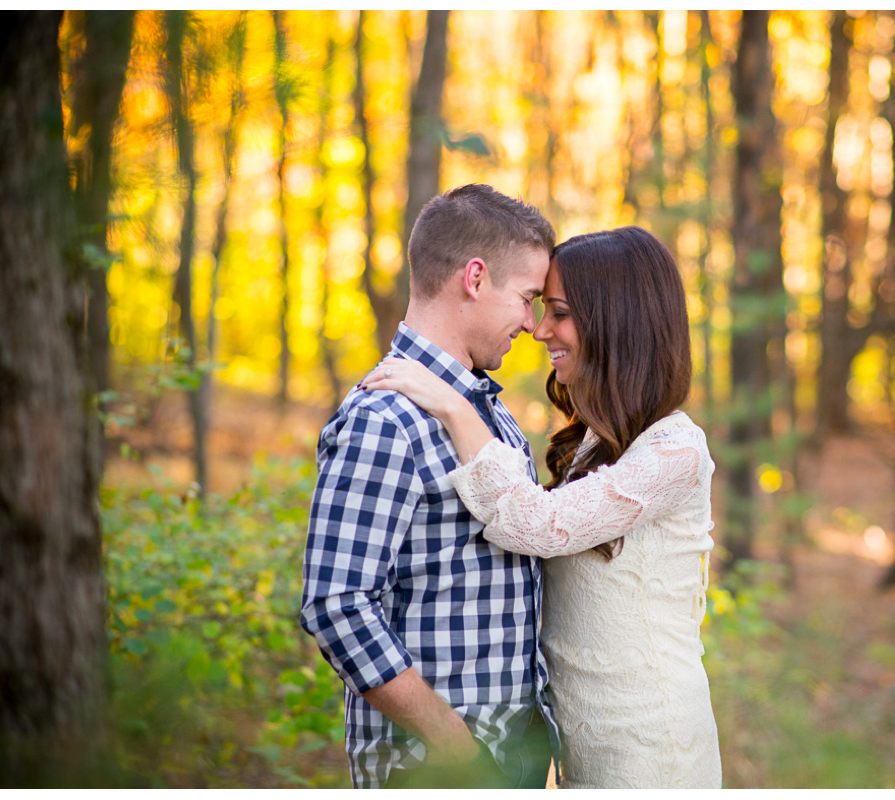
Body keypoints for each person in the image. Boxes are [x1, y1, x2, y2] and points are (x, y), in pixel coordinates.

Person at [360, 225, 723, 788]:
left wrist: (457, 411)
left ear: (616, 322)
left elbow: (542, 525)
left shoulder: (674, 450)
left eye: (559, 312)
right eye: (538, 308)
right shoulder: (594, 443)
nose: (539, 329)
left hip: (650, 745)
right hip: (585, 745)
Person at [299, 184, 560, 789]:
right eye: (525, 298)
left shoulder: (493, 417)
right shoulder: (383, 420)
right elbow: (337, 606)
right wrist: (459, 752)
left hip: (512, 754)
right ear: (474, 277)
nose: (531, 323)